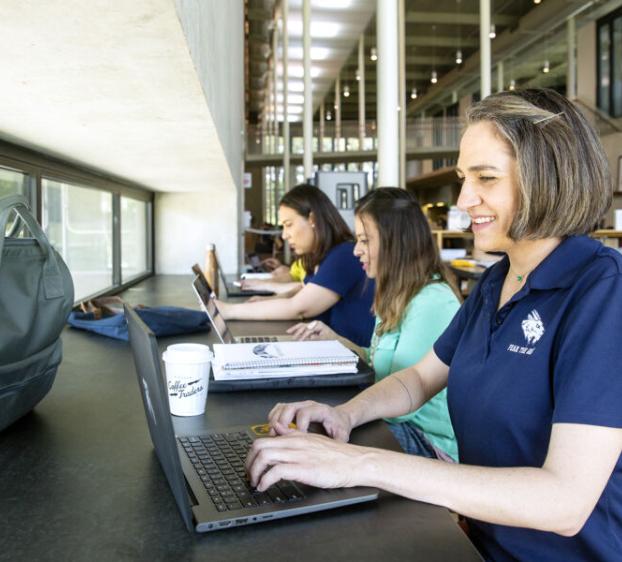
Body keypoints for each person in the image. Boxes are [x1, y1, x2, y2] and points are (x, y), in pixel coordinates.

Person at [245, 89, 622, 562]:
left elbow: (565, 502)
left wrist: (358, 462)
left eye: (486, 177)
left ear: (550, 176)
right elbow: (421, 377)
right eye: (465, 178)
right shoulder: (497, 280)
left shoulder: (604, 292)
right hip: (475, 540)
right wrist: (345, 414)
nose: (464, 199)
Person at [287, 188, 461, 461]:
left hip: (426, 442)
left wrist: (343, 411)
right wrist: (340, 342)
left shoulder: (432, 302)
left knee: (315, 435)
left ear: (397, 243)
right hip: (393, 424)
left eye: (365, 241)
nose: (357, 250)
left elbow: (405, 403)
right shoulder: (396, 292)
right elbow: (381, 360)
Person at [217, 184, 376, 347]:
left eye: (289, 224)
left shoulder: (344, 255)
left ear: (312, 219)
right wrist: (269, 300)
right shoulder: (323, 257)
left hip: (357, 359)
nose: (285, 235)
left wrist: (227, 310)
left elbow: (299, 308)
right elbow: (302, 289)